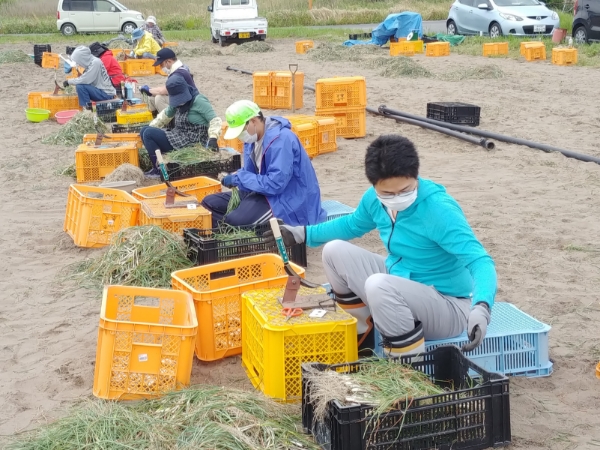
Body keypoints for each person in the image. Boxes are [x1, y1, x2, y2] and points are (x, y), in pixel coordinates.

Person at [267, 135, 496, 356]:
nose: (397, 197)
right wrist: (302, 234)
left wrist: (482, 308)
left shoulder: (439, 210)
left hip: (448, 305)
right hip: (403, 280)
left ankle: (405, 365)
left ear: (415, 178)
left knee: (378, 284)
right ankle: (361, 338)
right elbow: (352, 224)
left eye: (405, 190)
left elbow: (480, 261)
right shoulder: (375, 200)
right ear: (375, 185)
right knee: (334, 251)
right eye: (388, 193)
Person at [200, 100, 327, 228]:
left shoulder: (281, 140)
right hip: (261, 192)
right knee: (208, 205)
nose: (240, 136)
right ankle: (230, 230)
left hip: (287, 199)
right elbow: (252, 174)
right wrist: (237, 177)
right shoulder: (252, 140)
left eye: (241, 131)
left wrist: (239, 178)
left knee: (235, 221)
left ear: (254, 121)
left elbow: (275, 184)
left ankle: (239, 229)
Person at [140, 76, 222, 179]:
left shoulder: (199, 100)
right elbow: (165, 116)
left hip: (193, 142)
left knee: (148, 134)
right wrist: (152, 126)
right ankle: (158, 166)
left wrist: (213, 138)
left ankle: (159, 170)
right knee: (144, 130)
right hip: (179, 135)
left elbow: (215, 120)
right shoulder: (176, 104)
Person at [139, 48, 196, 114]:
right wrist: (150, 90)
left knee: (159, 98)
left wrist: (149, 90)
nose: (160, 67)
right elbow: (166, 87)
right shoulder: (175, 70)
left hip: (188, 103)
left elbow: (164, 91)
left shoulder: (179, 72)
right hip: (180, 98)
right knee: (151, 98)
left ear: (168, 61)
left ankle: (169, 121)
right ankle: (155, 117)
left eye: (161, 64)